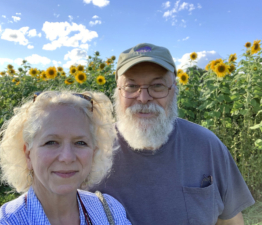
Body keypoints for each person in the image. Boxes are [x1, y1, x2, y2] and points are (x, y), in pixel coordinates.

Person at [90, 43, 255, 225]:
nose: (143, 98)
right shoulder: (91, 150)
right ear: (118, 92)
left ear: (174, 89)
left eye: (157, 86)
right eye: (131, 86)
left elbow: (229, 220)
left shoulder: (207, 146)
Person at [0, 91, 131, 225]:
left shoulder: (109, 211)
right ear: (28, 155)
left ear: (94, 153)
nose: (67, 157)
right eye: (51, 142)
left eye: (80, 143)